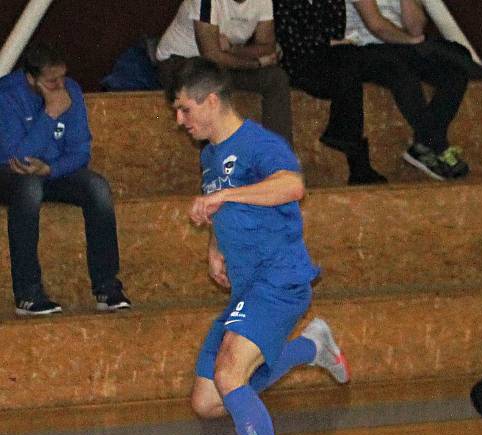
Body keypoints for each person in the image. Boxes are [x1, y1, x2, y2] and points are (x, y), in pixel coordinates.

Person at [168, 57, 350, 435]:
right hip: (248, 286)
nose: (180, 120)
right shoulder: (210, 154)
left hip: (280, 279)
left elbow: (292, 186)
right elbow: (220, 203)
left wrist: (226, 197)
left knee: (231, 376)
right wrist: (214, 245)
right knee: (208, 402)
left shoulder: (259, 144)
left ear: (212, 101)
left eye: (185, 109)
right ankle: (312, 346)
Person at [0, 44, 131, 316]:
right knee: (28, 188)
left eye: (63, 77)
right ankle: (28, 294)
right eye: (51, 81)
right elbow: (16, 158)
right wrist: (50, 114)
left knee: (97, 187)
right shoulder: (7, 94)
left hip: (51, 170)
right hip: (9, 174)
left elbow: (81, 151)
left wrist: (50, 169)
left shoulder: (71, 90)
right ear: (31, 78)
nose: (60, 86)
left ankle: (107, 288)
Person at [343, 0, 472, 181]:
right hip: (363, 47)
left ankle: (423, 144)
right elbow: (376, 26)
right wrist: (410, 42)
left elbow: (416, 28)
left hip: (402, 47)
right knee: (402, 72)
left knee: (455, 69)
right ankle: (437, 144)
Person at [273, 0, 386, 185]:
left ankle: (349, 147)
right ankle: (354, 156)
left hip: (328, 59)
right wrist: (326, 42)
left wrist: (327, 42)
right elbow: (292, 42)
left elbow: (336, 30)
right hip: (297, 63)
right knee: (348, 65)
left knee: (349, 63)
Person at [156, 0, 294, 145]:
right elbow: (211, 55)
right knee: (206, 86)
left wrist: (232, 49)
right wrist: (256, 63)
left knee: (275, 78)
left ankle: (278, 159)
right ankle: (215, 162)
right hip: (178, 62)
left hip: (220, 66)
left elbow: (267, 46)